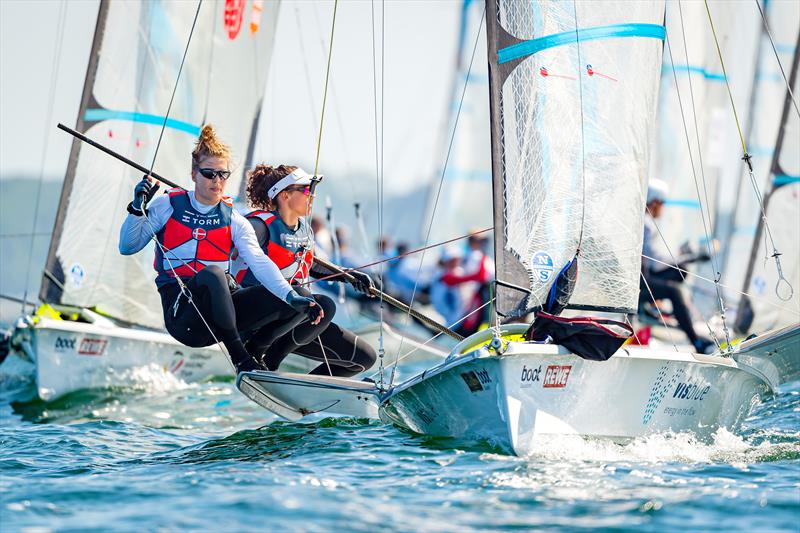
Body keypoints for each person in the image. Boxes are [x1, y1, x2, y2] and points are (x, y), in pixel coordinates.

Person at [118, 125, 321, 373]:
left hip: (220, 317)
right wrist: (137, 209)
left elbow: (259, 261)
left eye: (223, 175)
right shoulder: (168, 205)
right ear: (194, 174)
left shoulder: (235, 219)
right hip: (185, 318)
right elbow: (128, 247)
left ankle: (258, 356)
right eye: (209, 174)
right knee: (214, 274)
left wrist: (291, 297)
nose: (217, 181)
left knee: (299, 293)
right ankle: (241, 361)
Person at [231, 164, 377, 377]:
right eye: (307, 190)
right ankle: (262, 356)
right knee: (309, 297)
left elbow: (315, 265)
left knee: (364, 359)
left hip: (292, 317)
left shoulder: (305, 231)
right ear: (285, 195)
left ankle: (304, 399)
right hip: (254, 319)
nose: (313, 196)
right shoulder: (259, 225)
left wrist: (350, 276)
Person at [641, 179, 713, 353]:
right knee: (675, 290)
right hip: (639, 283)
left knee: (680, 271)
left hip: (644, 277)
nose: (663, 208)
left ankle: (654, 306)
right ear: (655, 202)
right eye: (663, 203)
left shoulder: (646, 222)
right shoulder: (645, 224)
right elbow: (654, 262)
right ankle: (696, 341)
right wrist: (685, 257)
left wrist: (682, 258)